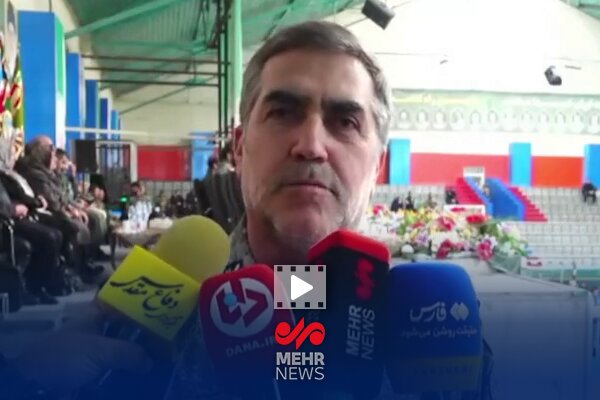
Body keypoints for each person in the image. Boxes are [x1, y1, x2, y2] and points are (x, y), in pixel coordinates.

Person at [2, 21, 492, 400]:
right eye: (283, 113)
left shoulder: (428, 330)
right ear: (239, 147)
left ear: (378, 164)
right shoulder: (142, 317)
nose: (311, 145)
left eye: (345, 121)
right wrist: (22, 384)